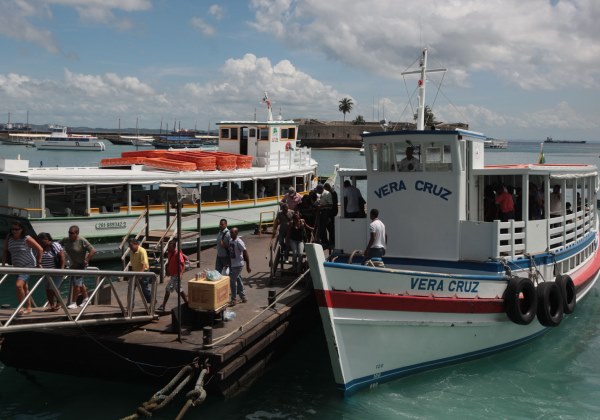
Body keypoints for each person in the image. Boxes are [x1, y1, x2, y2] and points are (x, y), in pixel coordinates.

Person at [2, 221, 43, 315]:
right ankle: (29, 308)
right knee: (24, 287)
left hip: (28, 265)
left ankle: (21, 307)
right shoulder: (9, 238)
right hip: (17, 266)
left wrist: (39, 262)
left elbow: (40, 249)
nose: (14, 231)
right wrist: (3, 265)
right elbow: (5, 251)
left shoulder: (26, 238)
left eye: (16, 229)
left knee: (18, 285)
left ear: (22, 230)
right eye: (12, 229)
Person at [60, 225, 96, 309]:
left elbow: (93, 250)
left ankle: (73, 303)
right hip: (72, 265)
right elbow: (57, 245)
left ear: (77, 233)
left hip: (80, 266)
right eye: (69, 232)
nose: (69, 234)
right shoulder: (66, 240)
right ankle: (86, 299)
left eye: (72, 233)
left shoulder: (82, 241)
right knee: (79, 283)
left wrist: (86, 260)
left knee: (76, 284)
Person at [158, 239, 188, 312]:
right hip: (172, 274)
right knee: (179, 290)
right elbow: (170, 262)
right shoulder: (169, 253)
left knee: (168, 289)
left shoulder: (177, 254)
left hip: (176, 275)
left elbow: (183, 265)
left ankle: (163, 305)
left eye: (170, 247)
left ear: (174, 247)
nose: (169, 248)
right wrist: (168, 271)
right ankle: (187, 303)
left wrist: (181, 274)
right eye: (168, 247)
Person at [38, 232, 66, 311]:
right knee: (47, 289)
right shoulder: (41, 248)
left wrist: (61, 270)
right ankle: (52, 306)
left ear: (47, 239)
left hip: (56, 271)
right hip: (46, 273)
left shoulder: (54, 245)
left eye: (42, 241)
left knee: (53, 288)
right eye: (40, 242)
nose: (41, 243)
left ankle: (59, 303)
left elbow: (62, 256)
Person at [228, 227, 250, 306]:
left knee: (232, 281)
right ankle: (243, 297)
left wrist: (248, 265)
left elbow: (245, 253)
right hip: (233, 264)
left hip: (238, 265)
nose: (231, 234)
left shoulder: (239, 242)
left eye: (232, 233)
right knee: (238, 279)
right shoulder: (231, 241)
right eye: (230, 232)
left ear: (236, 233)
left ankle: (234, 299)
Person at [128, 238, 152, 303]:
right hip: (135, 272)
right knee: (131, 288)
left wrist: (141, 275)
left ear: (136, 244)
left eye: (131, 246)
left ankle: (151, 301)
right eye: (129, 246)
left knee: (144, 289)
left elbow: (144, 264)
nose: (130, 247)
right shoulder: (131, 252)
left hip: (143, 272)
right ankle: (130, 305)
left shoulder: (142, 251)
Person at [324, 182, 337, 250]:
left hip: (331, 212)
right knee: (331, 227)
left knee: (330, 227)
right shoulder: (333, 193)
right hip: (333, 212)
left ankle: (332, 241)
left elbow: (332, 204)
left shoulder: (331, 193)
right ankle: (332, 240)